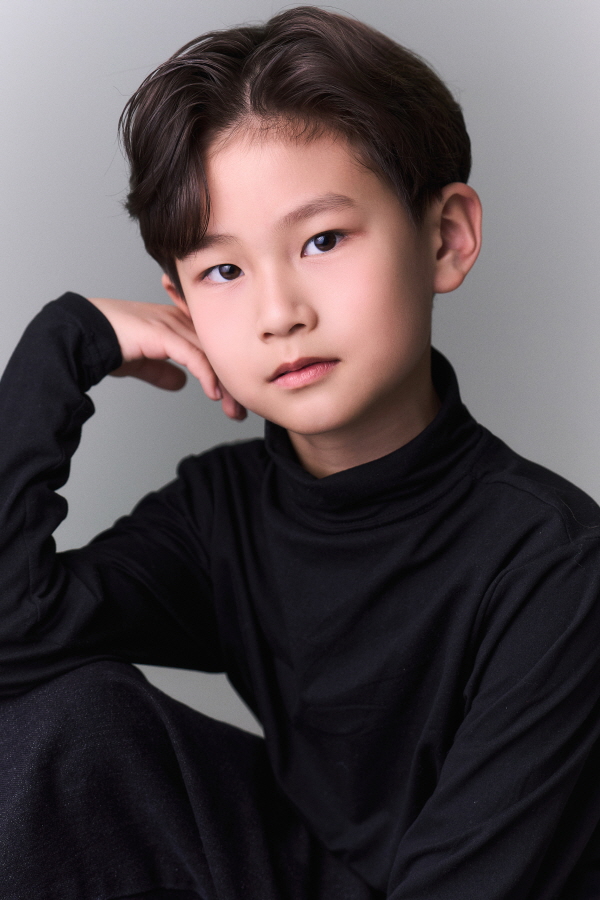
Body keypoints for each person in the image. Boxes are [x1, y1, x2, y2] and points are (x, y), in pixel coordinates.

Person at [1, 6, 599, 899]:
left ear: (445, 237)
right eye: (224, 271)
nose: (279, 313)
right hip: (312, 875)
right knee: (61, 721)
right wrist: (65, 342)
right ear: (182, 305)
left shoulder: (555, 563)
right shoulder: (223, 513)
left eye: (323, 241)